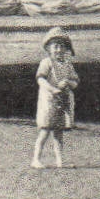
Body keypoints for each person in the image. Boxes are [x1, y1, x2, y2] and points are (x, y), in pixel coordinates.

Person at [32, 28, 79, 168]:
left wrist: (68, 83)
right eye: (56, 46)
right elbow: (40, 79)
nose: (59, 50)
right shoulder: (46, 63)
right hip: (49, 101)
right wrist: (53, 89)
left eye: (62, 46)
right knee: (45, 131)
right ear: (49, 48)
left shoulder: (68, 65)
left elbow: (75, 82)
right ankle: (36, 159)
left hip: (62, 101)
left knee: (58, 133)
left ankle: (60, 161)